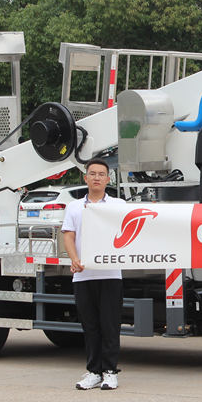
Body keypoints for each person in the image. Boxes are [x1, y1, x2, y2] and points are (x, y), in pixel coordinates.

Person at [61, 158, 125, 390]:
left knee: (110, 325)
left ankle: (109, 371)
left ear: (108, 179)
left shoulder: (118, 205)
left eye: (101, 174)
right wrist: (74, 259)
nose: (97, 177)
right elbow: (68, 235)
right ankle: (93, 371)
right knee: (90, 326)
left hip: (110, 274)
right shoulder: (74, 207)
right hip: (83, 275)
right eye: (92, 174)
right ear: (85, 178)